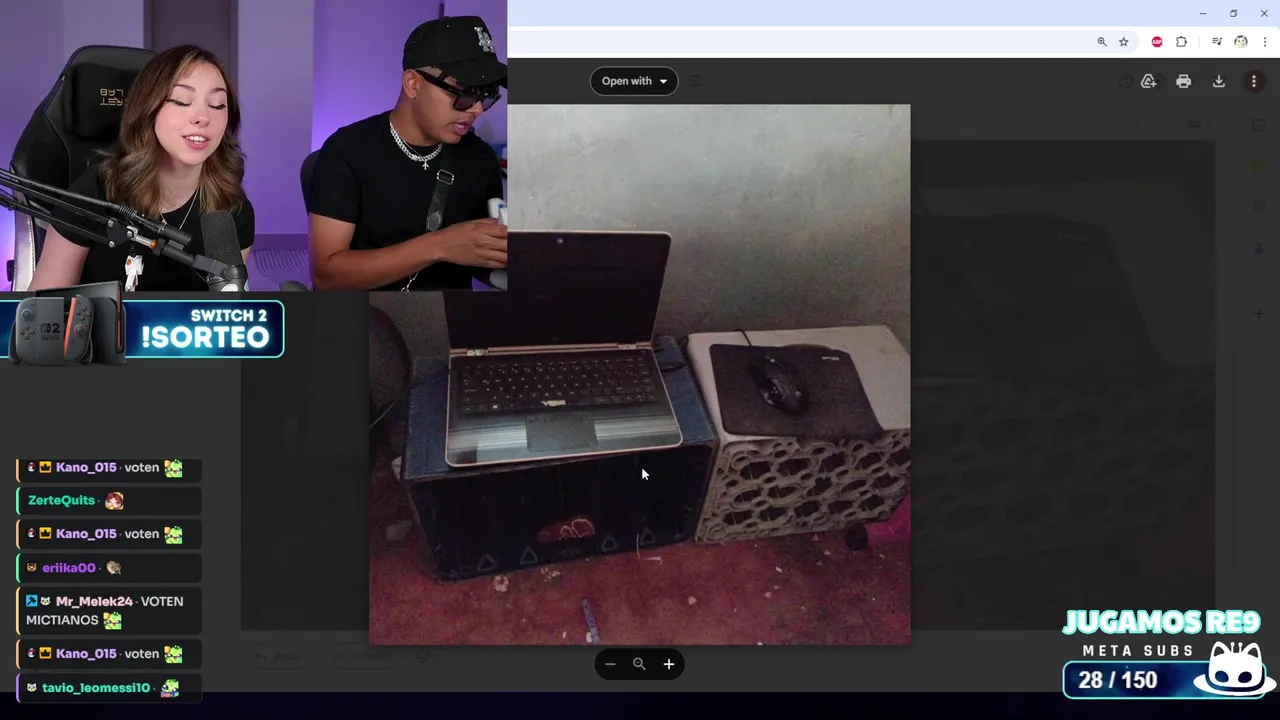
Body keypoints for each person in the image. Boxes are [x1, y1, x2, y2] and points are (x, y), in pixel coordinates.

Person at [29, 45, 253, 292]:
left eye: (217, 105)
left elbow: (229, 307)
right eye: (182, 101)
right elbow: (43, 305)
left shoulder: (230, 206)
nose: (203, 117)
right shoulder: (96, 193)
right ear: (148, 109)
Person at [308, 16, 507, 291]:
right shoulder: (348, 151)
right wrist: (439, 245)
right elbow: (327, 276)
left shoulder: (480, 158)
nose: (477, 109)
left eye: (486, 95)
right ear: (413, 84)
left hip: (448, 312)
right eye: (465, 94)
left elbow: (480, 261)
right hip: (367, 311)